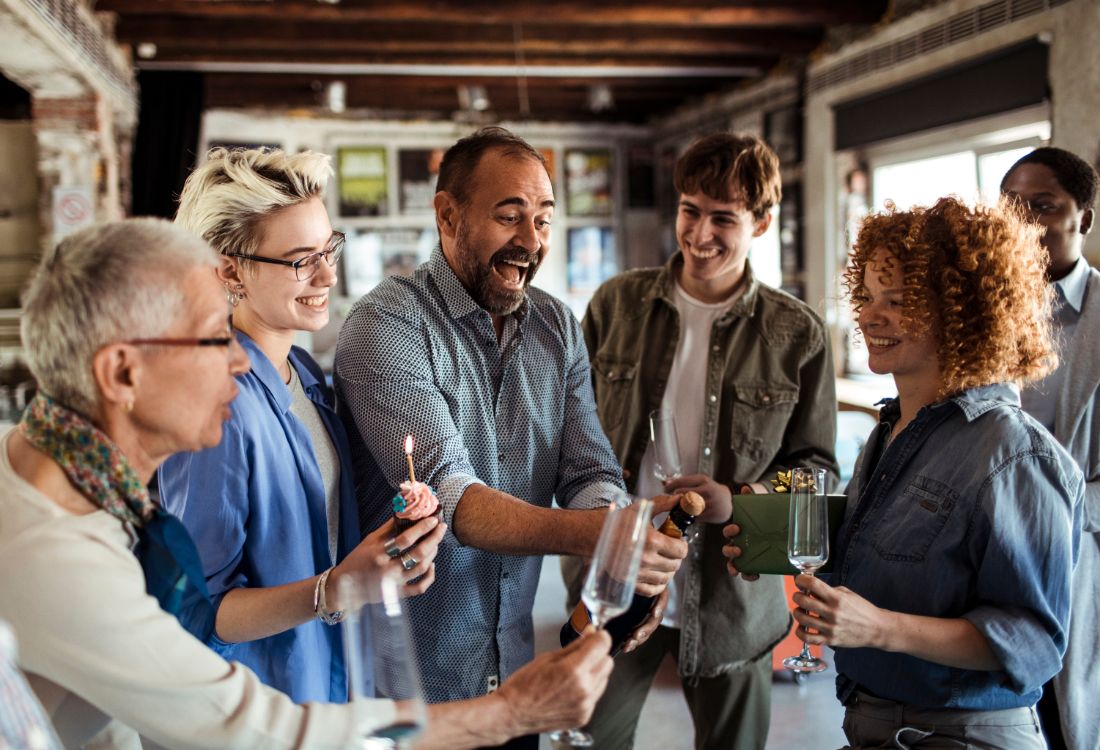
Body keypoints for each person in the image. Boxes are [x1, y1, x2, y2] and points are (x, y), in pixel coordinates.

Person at [0, 218, 615, 749]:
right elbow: (259, 728)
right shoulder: (52, 559)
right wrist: (508, 713)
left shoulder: (67, 481)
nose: (239, 360)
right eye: (215, 337)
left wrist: (341, 586)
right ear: (123, 372)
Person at [333, 127, 687, 728]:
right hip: (406, 689)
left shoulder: (556, 325)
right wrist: (604, 535)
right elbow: (453, 503)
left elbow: (590, 469)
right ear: (448, 215)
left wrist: (620, 557)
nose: (530, 241)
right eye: (509, 216)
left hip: (517, 677)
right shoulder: (385, 325)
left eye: (544, 221)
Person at [724, 198, 1082, 748]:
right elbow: (887, 553)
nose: (870, 314)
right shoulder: (891, 430)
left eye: (900, 301)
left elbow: (1033, 641)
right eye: (867, 296)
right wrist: (764, 536)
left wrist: (878, 628)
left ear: (963, 312)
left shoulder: (1014, 453)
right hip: (876, 724)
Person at [568, 132, 838, 750]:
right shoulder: (616, 305)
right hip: (617, 582)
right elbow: (572, 434)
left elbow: (819, 470)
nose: (700, 234)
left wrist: (740, 498)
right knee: (586, 741)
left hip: (734, 604)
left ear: (762, 223)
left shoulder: (798, 334)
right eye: (691, 210)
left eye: (725, 218)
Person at [157, 148, 445, 704]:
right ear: (229, 270)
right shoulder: (214, 406)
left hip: (324, 685)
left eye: (329, 248)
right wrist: (335, 589)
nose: (328, 274)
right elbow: (195, 612)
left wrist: (390, 550)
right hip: (255, 710)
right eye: (299, 260)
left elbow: (321, 536)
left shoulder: (305, 373)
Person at [1001, 146, 1099, 750]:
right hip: (994, 534)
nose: (1027, 222)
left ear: (1082, 218)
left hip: (1083, 541)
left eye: (1044, 206)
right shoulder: (981, 314)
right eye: (1013, 207)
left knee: (1071, 709)